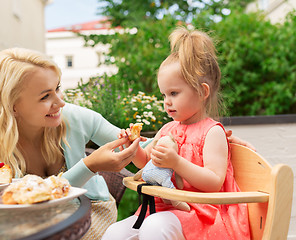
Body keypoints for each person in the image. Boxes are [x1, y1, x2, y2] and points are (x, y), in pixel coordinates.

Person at [0, 47, 142, 239]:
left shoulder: (74, 117)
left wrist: (167, 141)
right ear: (12, 106)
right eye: (45, 96)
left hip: (91, 209)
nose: (60, 102)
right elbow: (17, 205)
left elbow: (141, 147)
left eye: (58, 88)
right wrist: (89, 166)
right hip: (26, 220)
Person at [102, 27, 251, 240]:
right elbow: (147, 164)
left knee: (154, 227)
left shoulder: (212, 132)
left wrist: (176, 162)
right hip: (165, 209)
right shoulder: (168, 129)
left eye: (174, 93)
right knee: (114, 233)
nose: (167, 102)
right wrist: (132, 148)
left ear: (202, 92)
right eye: (164, 94)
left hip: (201, 213)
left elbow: (214, 182)